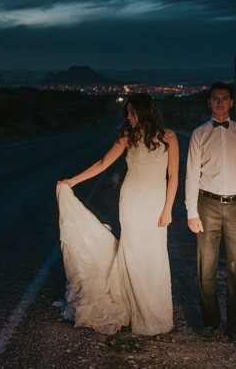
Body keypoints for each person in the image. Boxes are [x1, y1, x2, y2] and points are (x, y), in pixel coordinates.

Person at [56, 93, 179, 336]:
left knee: (154, 255)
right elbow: (103, 163)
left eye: (133, 113)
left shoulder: (169, 137)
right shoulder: (127, 137)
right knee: (132, 253)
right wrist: (72, 181)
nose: (129, 117)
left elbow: (173, 176)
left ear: (144, 112)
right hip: (131, 201)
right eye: (128, 113)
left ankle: (155, 314)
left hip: (156, 202)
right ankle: (133, 309)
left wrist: (168, 210)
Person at [185, 81, 236, 350]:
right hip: (207, 205)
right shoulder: (199, 134)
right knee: (205, 268)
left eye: (224, 98)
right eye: (215, 98)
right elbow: (191, 175)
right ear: (208, 103)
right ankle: (210, 323)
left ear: (231, 103)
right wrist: (191, 212)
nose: (220, 102)